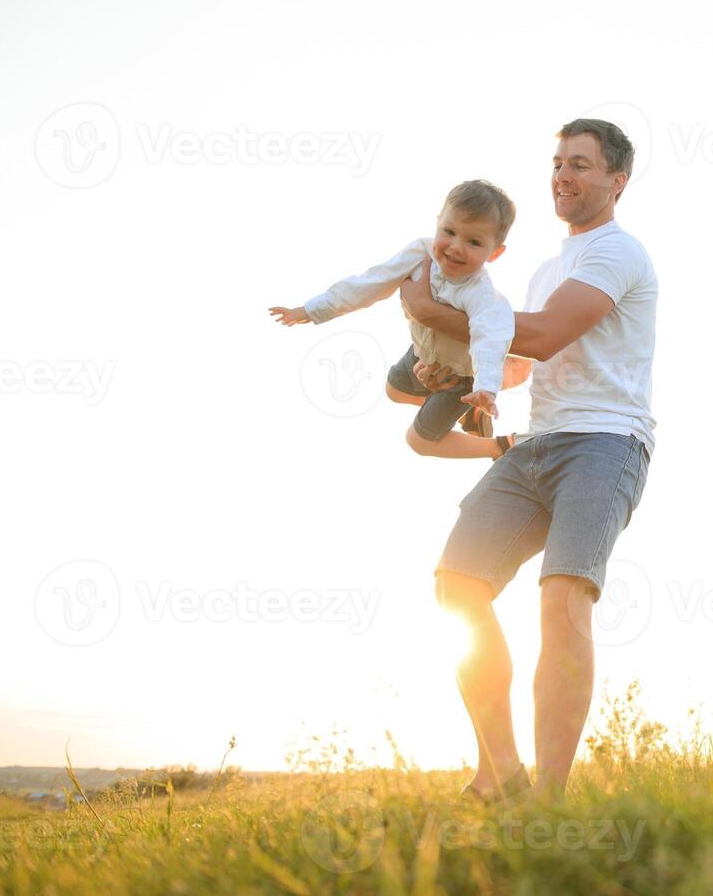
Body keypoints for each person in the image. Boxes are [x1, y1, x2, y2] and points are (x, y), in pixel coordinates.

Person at [400, 119, 657, 802]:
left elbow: (540, 335)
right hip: (538, 442)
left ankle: (547, 796)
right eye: (556, 162)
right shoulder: (548, 267)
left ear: (615, 181)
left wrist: (428, 306)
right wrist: (453, 369)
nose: (563, 176)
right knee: (458, 585)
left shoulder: (616, 254)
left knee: (561, 601)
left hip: (604, 443)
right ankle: (500, 772)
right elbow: (521, 362)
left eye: (580, 164)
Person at [268, 180, 521, 459]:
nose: (456, 247)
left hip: (463, 376)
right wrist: (312, 309)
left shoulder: (482, 294)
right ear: (437, 224)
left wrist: (485, 388)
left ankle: (501, 446)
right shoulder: (420, 254)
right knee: (395, 389)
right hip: (422, 353)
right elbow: (371, 282)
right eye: (449, 231)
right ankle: (469, 414)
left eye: (474, 242)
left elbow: (490, 338)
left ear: (494, 252)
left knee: (420, 441)